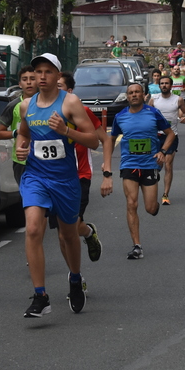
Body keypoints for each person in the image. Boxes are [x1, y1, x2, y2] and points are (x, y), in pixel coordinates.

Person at [13, 53, 99, 317]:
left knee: (68, 235)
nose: (41, 77)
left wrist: (66, 131)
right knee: (33, 229)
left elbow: (94, 140)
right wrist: (21, 148)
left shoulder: (70, 102)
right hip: (35, 176)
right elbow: (23, 134)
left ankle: (75, 278)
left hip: (65, 180)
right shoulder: (27, 105)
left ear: (58, 75)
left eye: (47, 72)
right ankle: (40, 296)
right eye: (37, 72)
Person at [103, 82, 173, 259]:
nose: (134, 95)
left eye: (137, 92)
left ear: (143, 95)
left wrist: (163, 151)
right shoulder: (120, 116)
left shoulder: (153, 113)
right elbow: (111, 139)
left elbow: (170, 134)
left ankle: (155, 206)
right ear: (127, 96)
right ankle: (137, 246)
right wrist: (107, 164)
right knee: (131, 203)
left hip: (149, 164)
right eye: (131, 92)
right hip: (129, 164)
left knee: (150, 208)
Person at [56, 72, 112, 264]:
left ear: (70, 91)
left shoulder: (82, 111)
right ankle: (74, 274)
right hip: (54, 178)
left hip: (80, 176)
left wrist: (107, 173)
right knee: (62, 234)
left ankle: (87, 233)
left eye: (60, 86)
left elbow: (105, 140)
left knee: (71, 228)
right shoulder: (42, 112)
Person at [149, 75, 185, 205]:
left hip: (171, 136)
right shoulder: (154, 99)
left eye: (166, 83)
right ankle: (156, 174)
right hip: (156, 136)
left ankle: (165, 194)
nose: (164, 85)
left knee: (168, 164)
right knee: (157, 164)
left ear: (171, 86)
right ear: (159, 85)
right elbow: (146, 114)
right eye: (162, 83)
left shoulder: (178, 100)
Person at [0, 65, 37, 185]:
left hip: (44, 159)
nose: (29, 82)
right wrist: (17, 132)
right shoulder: (13, 105)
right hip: (22, 161)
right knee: (27, 193)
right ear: (20, 84)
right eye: (25, 79)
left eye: (32, 79)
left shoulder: (47, 103)